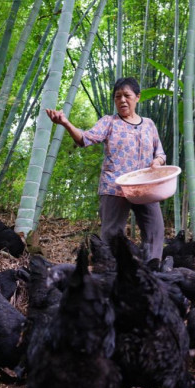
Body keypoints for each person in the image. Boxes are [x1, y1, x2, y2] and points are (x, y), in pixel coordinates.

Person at [45, 76, 167, 260]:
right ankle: (110, 271)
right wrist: (65, 123)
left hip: (145, 186)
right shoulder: (109, 122)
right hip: (114, 187)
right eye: (118, 96)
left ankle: (151, 269)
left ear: (138, 97)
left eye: (127, 95)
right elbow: (84, 139)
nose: (122, 100)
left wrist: (157, 162)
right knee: (111, 235)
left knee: (155, 231)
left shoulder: (149, 124)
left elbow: (160, 154)